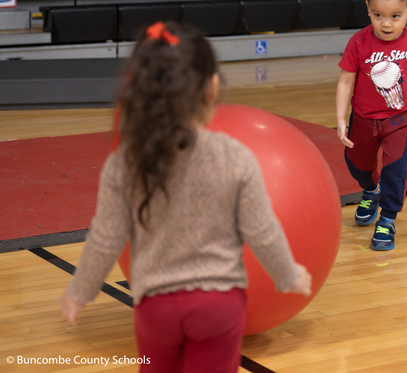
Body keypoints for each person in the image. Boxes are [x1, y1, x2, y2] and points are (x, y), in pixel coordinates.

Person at [59, 22, 312, 373]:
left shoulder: (125, 163)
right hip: (218, 306)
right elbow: (262, 230)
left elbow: (105, 238)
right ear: (212, 87)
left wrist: (79, 292)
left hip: (155, 310)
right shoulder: (235, 156)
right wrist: (287, 275)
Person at [336, 0, 407, 251]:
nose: (386, 24)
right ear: (368, 9)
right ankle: (371, 189)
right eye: (378, 15)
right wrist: (341, 118)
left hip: (399, 119)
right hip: (364, 119)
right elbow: (345, 80)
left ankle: (387, 219)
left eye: (395, 16)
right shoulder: (358, 42)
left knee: (395, 170)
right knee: (357, 164)